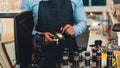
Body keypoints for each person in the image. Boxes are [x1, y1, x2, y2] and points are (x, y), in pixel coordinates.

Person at [20, 0, 87, 68]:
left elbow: (82, 22)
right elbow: (23, 31)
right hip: (43, 57)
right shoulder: (28, 1)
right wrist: (40, 37)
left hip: (68, 53)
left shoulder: (76, 1)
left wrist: (74, 29)